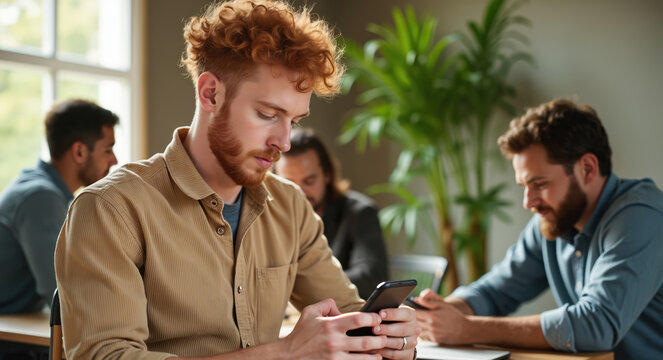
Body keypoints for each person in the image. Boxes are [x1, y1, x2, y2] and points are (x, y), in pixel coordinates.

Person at [54, 1, 418, 359]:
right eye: (267, 114)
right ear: (210, 93)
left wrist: (388, 338)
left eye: (295, 120)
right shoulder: (110, 210)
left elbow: (349, 315)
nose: (284, 141)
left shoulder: (290, 206)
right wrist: (285, 353)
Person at [411, 99, 663, 359]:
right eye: (524, 187)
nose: (528, 202)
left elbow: (596, 324)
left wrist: (467, 330)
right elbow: (496, 291)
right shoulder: (554, 221)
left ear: (587, 168)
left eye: (539, 184)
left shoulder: (642, 217)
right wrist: (441, 312)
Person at [0, 99, 118, 314]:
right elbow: (61, 293)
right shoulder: (40, 197)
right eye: (108, 150)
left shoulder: (51, 194)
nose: (114, 161)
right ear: (79, 152)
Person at [274, 127, 389, 299]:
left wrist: (301, 287)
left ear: (327, 174)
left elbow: (371, 278)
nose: (299, 192)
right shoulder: (271, 217)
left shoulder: (360, 213)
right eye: (289, 184)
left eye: (309, 181)